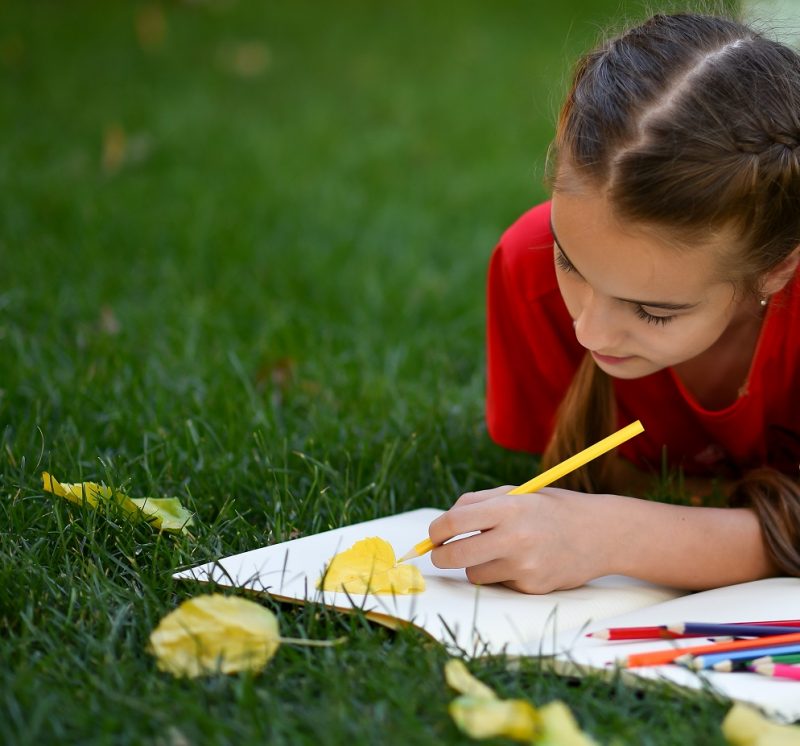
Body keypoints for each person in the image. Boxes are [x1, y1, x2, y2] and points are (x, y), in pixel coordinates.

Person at [429, 12, 800, 594]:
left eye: (653, 311)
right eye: (570, 264)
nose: (590, 333)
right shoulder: (525, 268)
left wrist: (621, 535)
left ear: (778, 268)